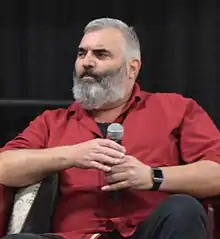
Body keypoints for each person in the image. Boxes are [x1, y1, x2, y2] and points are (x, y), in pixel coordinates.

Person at [0, 18, 220, 239]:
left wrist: (152, 177)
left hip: (148, 232)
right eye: (81, 53)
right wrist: (70, 154)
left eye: (100, 54)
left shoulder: (176, 109)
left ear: (132, 68)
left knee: (183, 209)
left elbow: (216, 173)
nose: (86, 62)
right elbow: (4, 166)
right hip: (75, 237)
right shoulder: (52, 122)